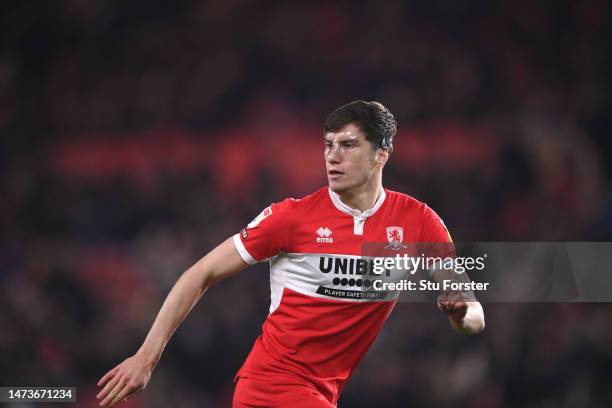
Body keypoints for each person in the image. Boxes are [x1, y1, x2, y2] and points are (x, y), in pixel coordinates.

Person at [96, 100, 485, 407]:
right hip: (271, 387)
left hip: (321, 394)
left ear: (381, 155)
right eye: (328, 145)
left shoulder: (419, 221)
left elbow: (474, 315)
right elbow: (199, 274)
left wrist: (461, 311)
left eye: (348, 145)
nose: (333, 156)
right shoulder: (291, 218)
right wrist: (146, 358)